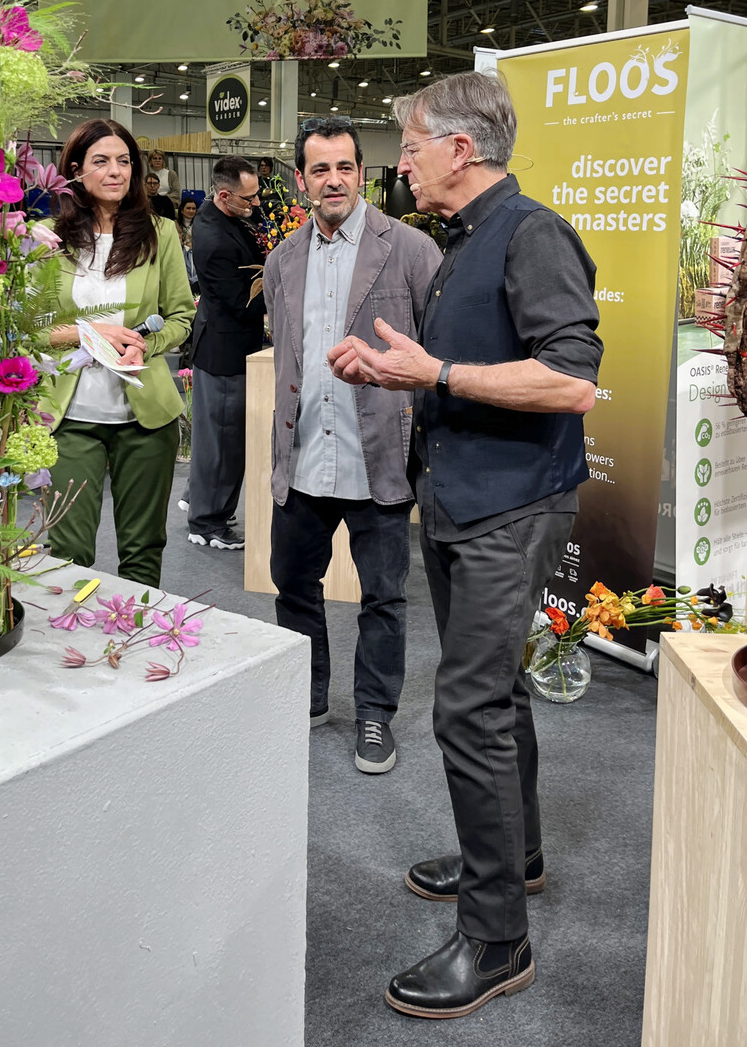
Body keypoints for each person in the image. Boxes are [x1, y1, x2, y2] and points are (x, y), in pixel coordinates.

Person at [329, 71, 602, 1021]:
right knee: (495, 696)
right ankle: (514, 858)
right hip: (466, 503)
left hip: (509, 509)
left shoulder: (531, 235)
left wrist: (435, 368)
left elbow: (572, 382)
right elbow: (471, 377)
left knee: (468, 709)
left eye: (409, 144)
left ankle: (497, 940)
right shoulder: (470, 242)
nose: (397, 162)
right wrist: (400, 373)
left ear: (460, 149)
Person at [264, 117, 440, 773]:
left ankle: (374, 714)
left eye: (344, 167)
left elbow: (436, 356)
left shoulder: (412, 250)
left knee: (384, 597)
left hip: (379, 459)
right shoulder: (283, 259)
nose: (333, 180)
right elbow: (291, 356)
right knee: (293, 584)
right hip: (305, 456)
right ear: (304, 179)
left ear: (362, 173)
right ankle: (308, 696)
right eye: (319, 169)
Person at [41, 119, 196, 588]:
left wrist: (144, 344)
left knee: (144, 548)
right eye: (101, 161)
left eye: (124, 161)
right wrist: (90, 334)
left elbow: (181, 316)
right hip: (70, 418)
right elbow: (29, 331)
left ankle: (135, 643)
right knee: (67, 551)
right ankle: (70, 648)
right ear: (74, 170)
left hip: (145, 417)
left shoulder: (160, 233)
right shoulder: (47, 237)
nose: (116, 171)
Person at [185, 156, 265, 550]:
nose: (255, 203)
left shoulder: (220, 217)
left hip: (225, 344)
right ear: (223, 195)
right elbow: (240, 301)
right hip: (225, 350)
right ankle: (207, 521)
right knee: (224, 440)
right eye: (248, 198)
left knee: (214, 440)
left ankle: (203, 502)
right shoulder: (214, 239)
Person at [176, 196, 199, 292]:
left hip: (195, 257)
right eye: (188, 208)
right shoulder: (174, 225)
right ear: (182, 210)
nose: (191, 211)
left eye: (193, 208)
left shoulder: (200, 225)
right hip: (180, 257)